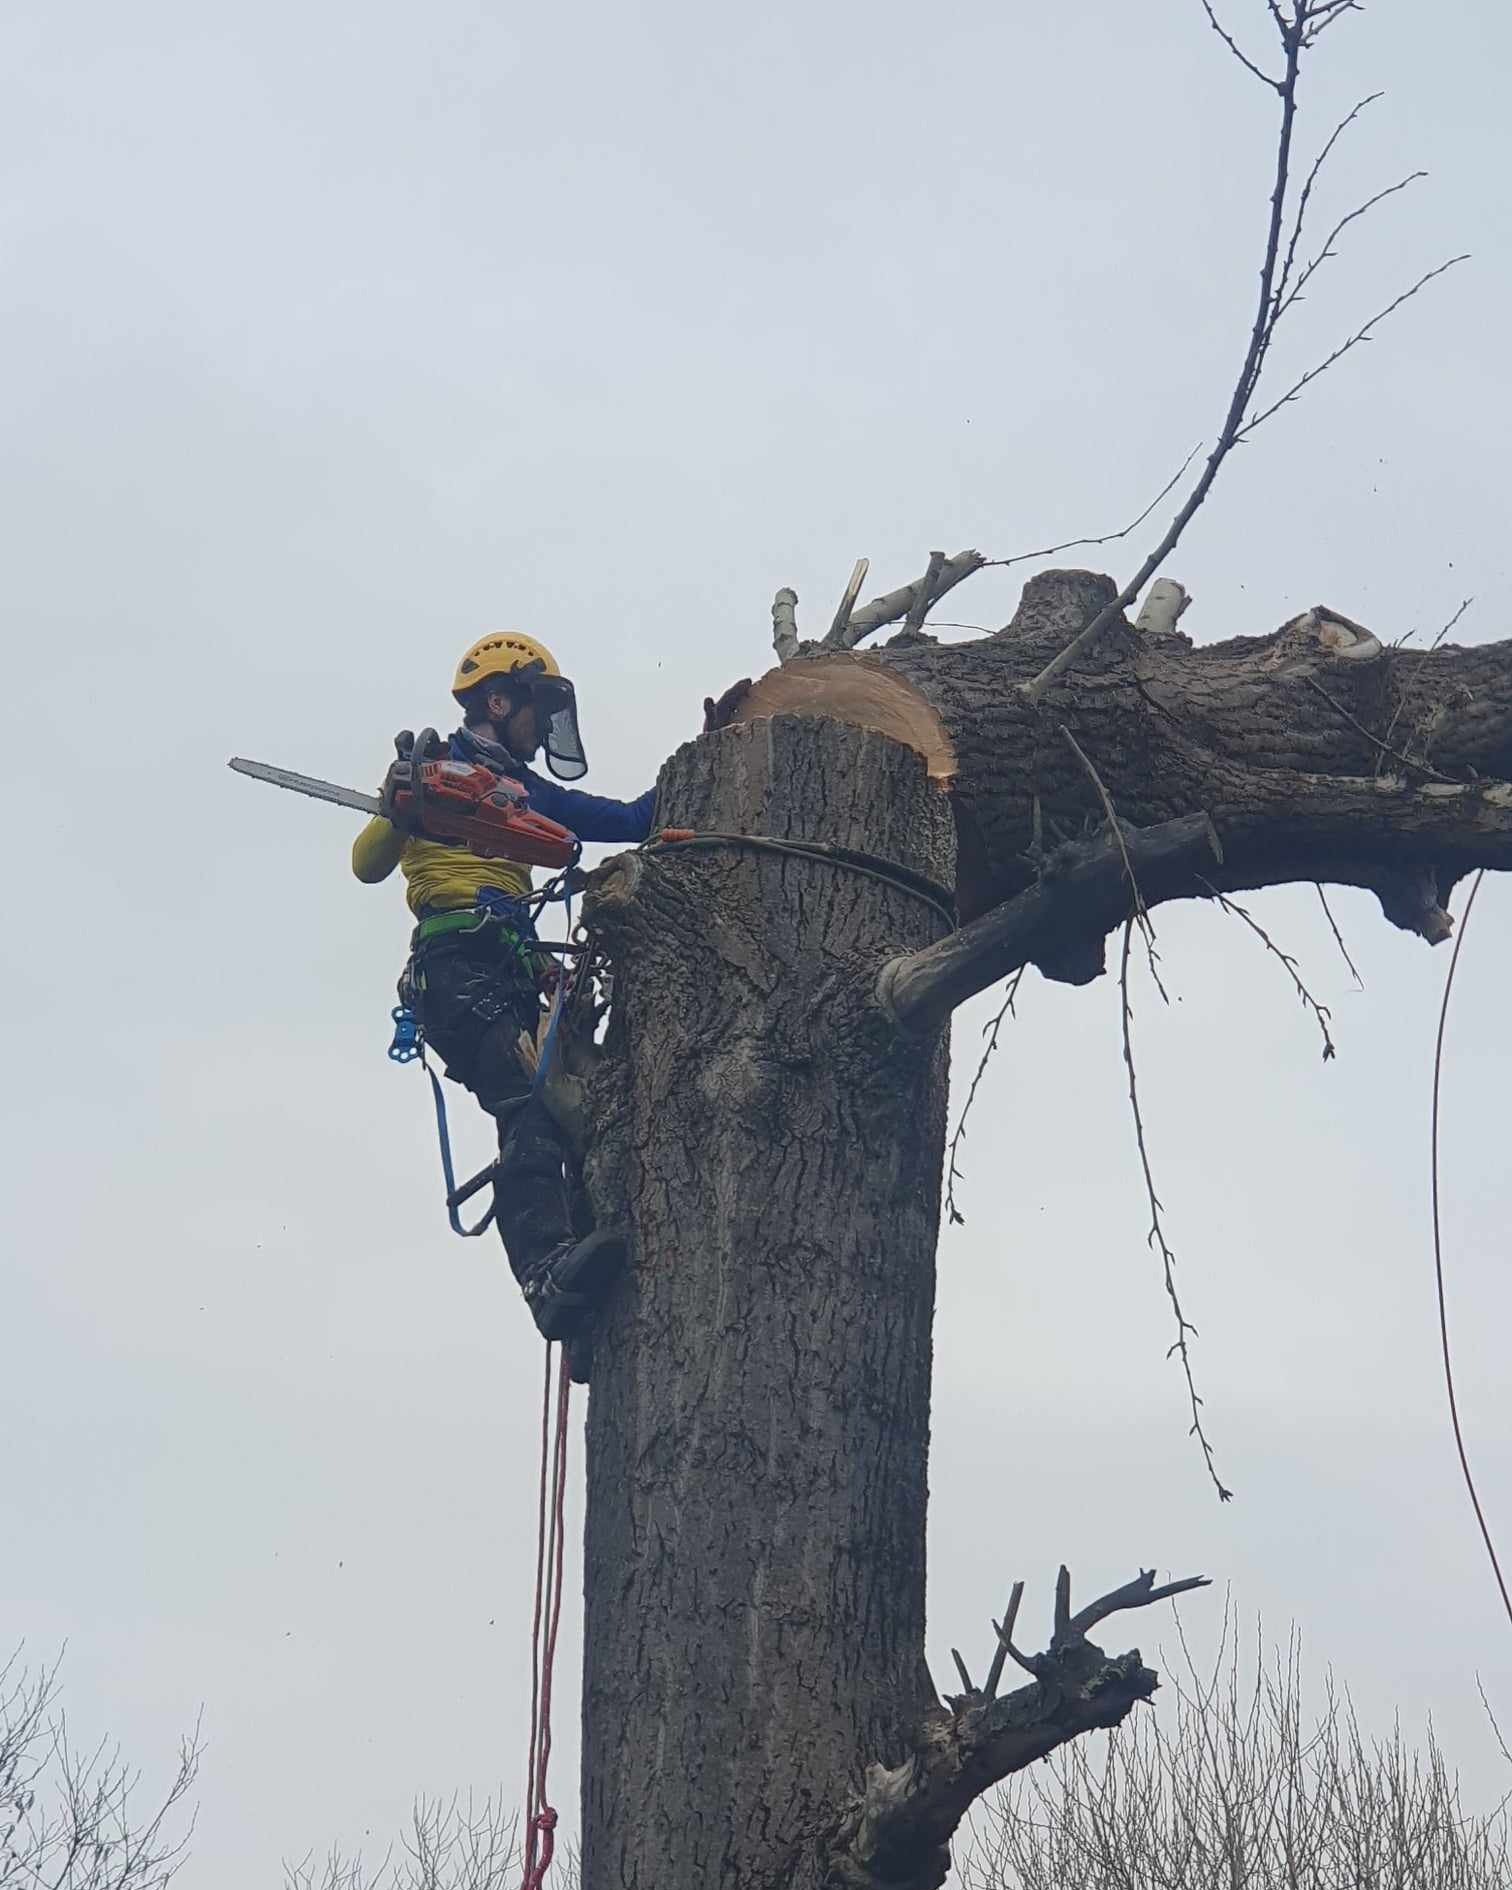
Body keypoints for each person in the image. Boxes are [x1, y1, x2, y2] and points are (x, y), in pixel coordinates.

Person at [351, 632, 656, 1344]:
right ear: (499, 699)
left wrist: (696, 762)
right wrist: (399, 804)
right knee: (527, 1108)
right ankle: (544, 1277)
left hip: (519, 970)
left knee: (573, 1122)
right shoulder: (431, 771)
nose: (543, 726)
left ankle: (586, 1307)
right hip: (455, 962)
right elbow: (366, 864)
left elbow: (629, 822)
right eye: (536, 708)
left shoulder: (528, 793)